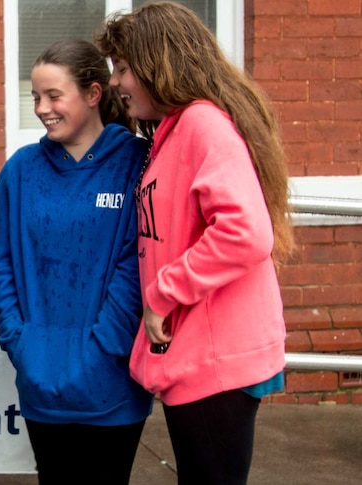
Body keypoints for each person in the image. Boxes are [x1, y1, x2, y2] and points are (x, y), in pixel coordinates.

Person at [95, 3, 294, 484]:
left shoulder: (202, 125)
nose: (118, 83)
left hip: (216, 358)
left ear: (156, 63)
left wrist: (164, 293)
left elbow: (246, 232)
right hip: (200, 354)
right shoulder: (176, 130)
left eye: (123, 69)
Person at [0, 39, 153, 484]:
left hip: (113, 385)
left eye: (54, 95)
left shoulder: (137, 164)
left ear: (94, 94)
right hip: (40, 381)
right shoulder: (20, 170)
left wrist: (101, 352)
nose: (42, 108)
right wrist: (23, 344)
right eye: (35, 97)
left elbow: (138, 265)